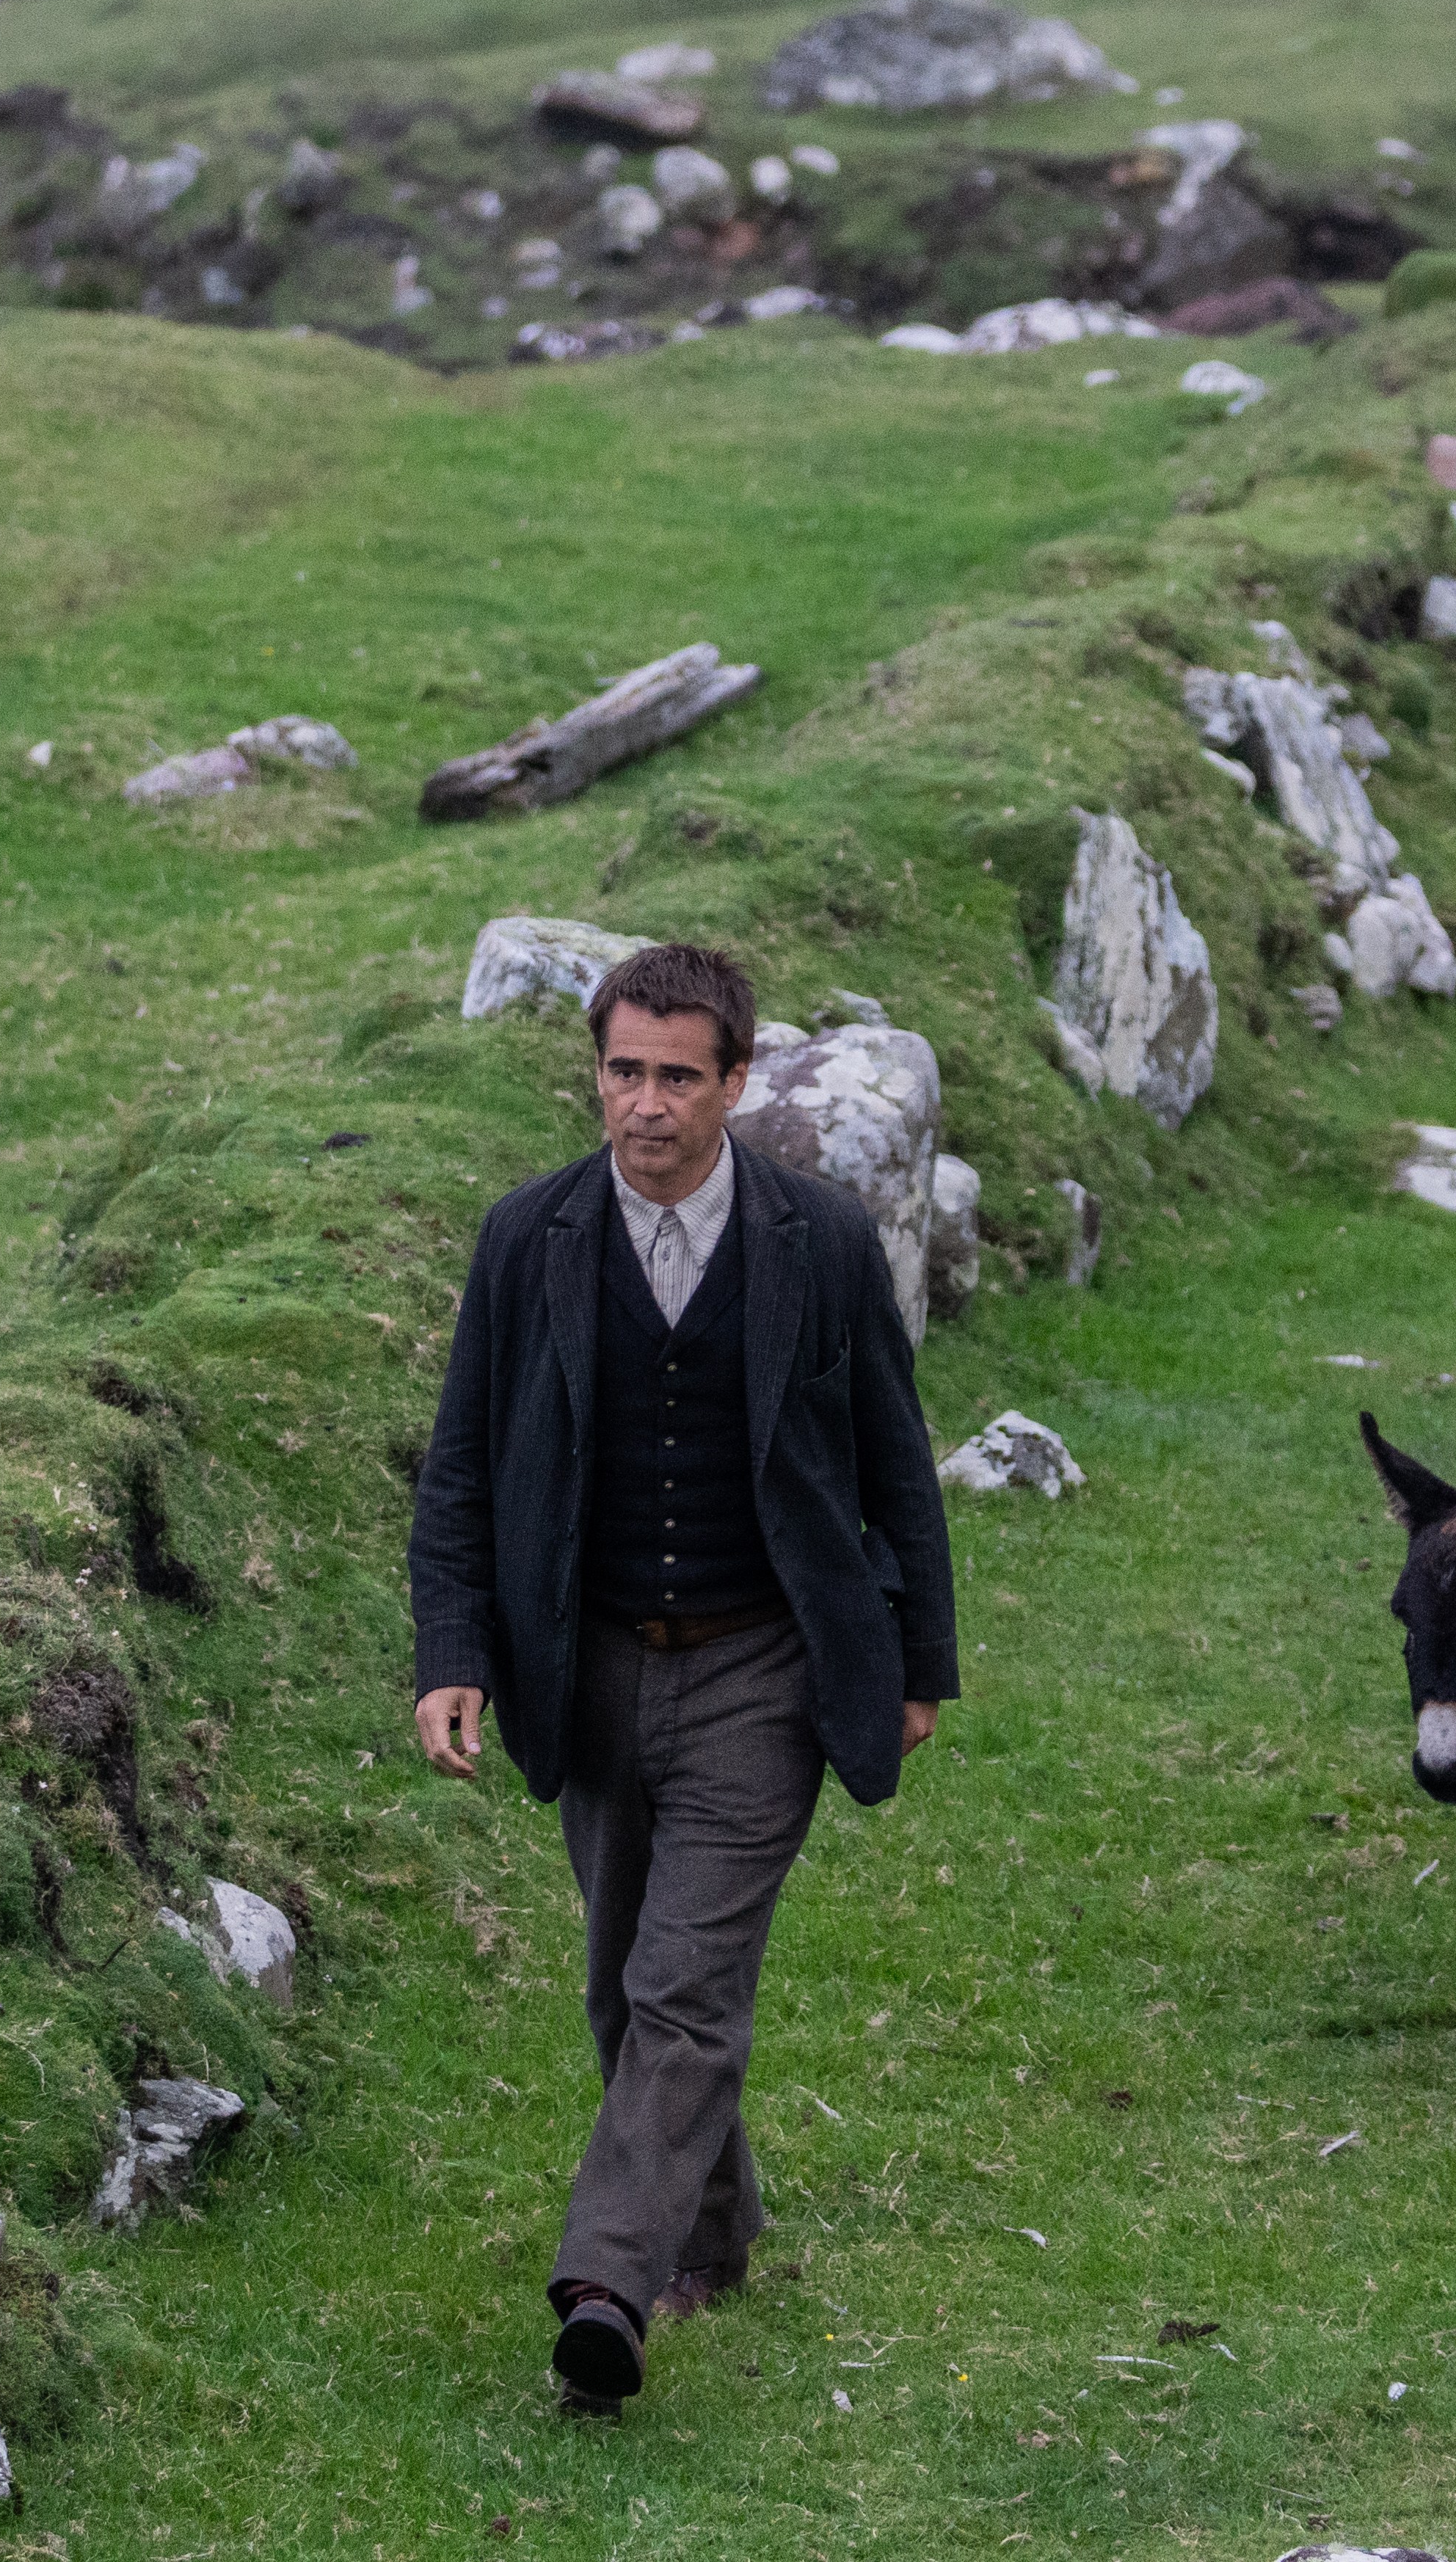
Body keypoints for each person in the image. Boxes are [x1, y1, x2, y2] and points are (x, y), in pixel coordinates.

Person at [405, 939, 960, 2405]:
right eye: (622, 1070)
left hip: (761, 1668)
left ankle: (608, 2281)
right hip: (585, 1666)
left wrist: (918, 1662)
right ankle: (713, 2223)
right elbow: (460, 1467)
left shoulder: (821, 1242)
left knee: (686, 1985)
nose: (644, 1103)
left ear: (735, 1079)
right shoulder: (524, 1240)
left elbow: (899, 1467)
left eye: (675, 1074)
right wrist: (454, 1653)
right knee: (619, 1987)